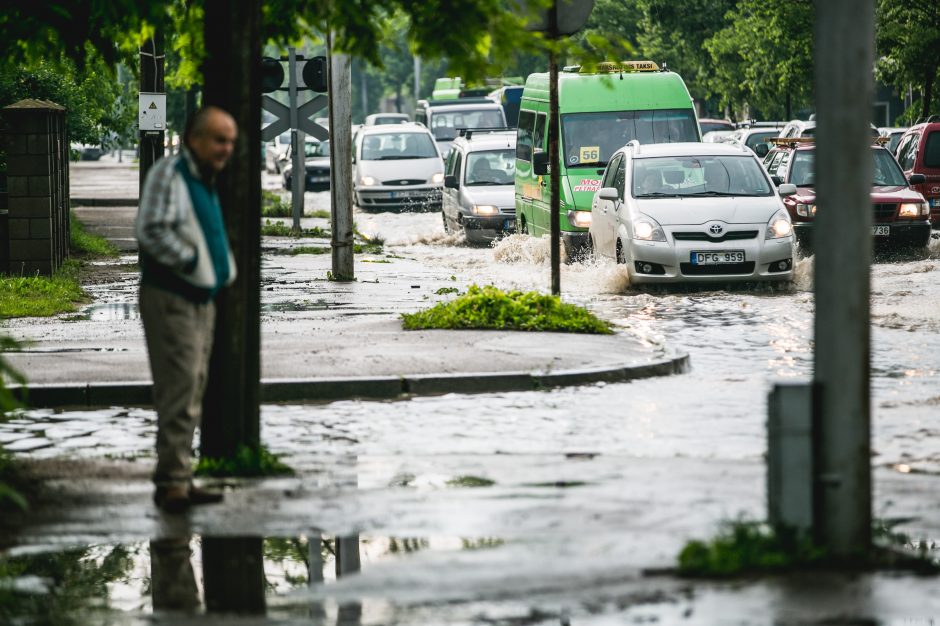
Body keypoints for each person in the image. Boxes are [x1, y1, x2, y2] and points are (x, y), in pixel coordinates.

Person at [135, 106, 238, 513]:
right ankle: (172, 484)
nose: (226, 148)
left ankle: (180, 477)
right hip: (171, 297)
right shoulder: (171, 174)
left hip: (198, 298)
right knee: (179, 390)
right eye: (218, 139)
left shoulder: (202, 177)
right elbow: (150, 228)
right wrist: (192, 262)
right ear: (194, 138)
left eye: (230, 141)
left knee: (192, 387)